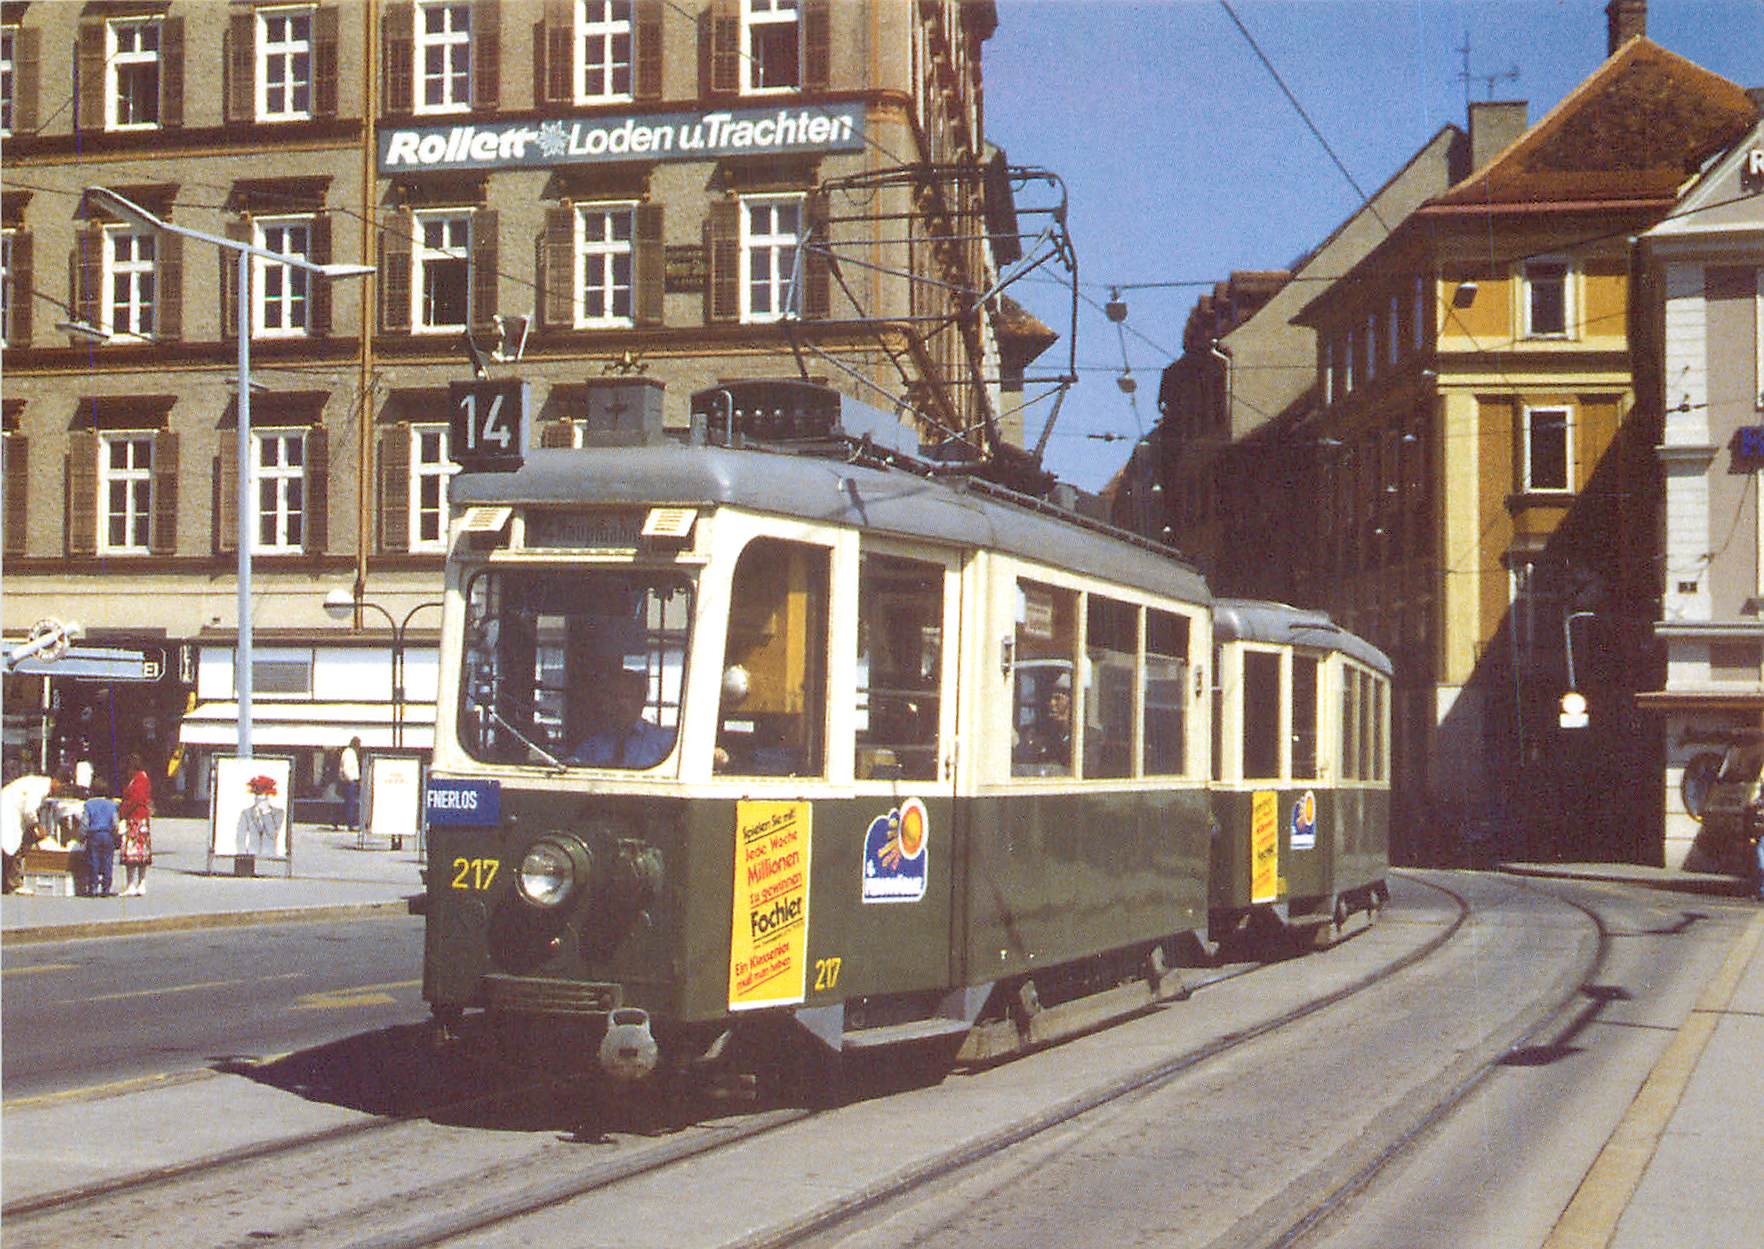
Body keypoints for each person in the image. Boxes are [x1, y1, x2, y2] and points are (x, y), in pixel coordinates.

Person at [571, 669, 673, 768]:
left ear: (641, 701)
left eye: (626, 696)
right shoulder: (592, 746)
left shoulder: (662, 742)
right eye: (615, 696)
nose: (620, 703)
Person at [2, 770, 64, 894]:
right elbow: (29, 810)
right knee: (11, 845)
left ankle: (8, 882)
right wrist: (38, 827)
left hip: (11, 809)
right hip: (9, 812)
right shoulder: (40, 788)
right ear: (56, 781)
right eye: (61, 786)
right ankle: (12, 883)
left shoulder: (38, 783)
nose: (60, 790)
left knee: (11, 846)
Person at [119, 752, 154, 897]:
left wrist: (122, 812)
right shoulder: (143, 778)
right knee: (141, 853)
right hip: (142, 819)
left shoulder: (138, 779)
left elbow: (135, 799)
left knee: (132, 852)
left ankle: (132, 884)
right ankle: (141, 883)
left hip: (135, 819)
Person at [1018, 686, 1073, 771]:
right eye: (1050, 699)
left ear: (1072, 702)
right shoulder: (1045, 736)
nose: (1051, 703)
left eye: (1058, 698)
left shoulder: (1090, 737)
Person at [82, 777, 120, 897]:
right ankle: (106, 887)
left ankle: (93, 886)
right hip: (108, 835)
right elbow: (115, 822)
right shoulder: (111, 805)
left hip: (94, 835)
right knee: (108, 861)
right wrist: (116, 834)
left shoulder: (89, 804)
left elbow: (84, 822)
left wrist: (82, 836)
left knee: (94, 860)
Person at [339, 737, 362, 831]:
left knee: (347, 803)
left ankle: (339, 821)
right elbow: (346, 768)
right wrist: (350, 779)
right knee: (350, 803)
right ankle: (350, 823)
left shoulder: (349, 752)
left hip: (350, 781)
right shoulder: (349, 753)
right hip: (349, 782)